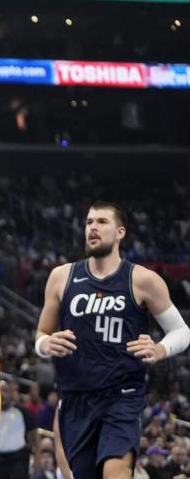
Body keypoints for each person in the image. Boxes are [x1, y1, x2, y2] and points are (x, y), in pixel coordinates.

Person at [35, 201, 190, 479]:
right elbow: (41, 335)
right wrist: (45, 344)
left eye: (101, 222)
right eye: (89, 222)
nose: (92, 227)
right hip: (75, 398)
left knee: (116, 473)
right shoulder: (61, 277)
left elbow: (182, 332)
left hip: (121, 396)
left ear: (120, 232)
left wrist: (159, 348)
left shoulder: (142, 279)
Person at [0, 382, 35, 479]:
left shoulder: (22, 412)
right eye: (0, 391)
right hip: (0, 459)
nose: (2, 394)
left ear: (11, 393)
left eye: (5, 391)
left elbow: (34, 434)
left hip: (19, 457)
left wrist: (37, 458)